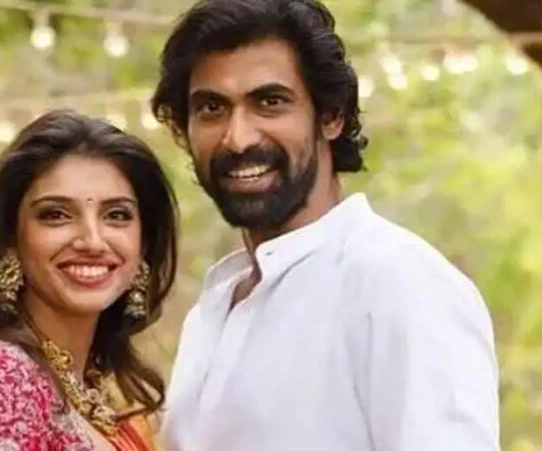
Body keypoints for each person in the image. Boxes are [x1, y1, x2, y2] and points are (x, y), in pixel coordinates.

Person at [150, 1, 500, 450]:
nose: (237, 138)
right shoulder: (212, 311)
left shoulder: (399, 284)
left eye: (270, 103)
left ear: (331, 116)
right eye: (212, 108)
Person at [0, 110, 178, 451]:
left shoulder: (94, 391)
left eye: (116, 215)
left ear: (143, 244)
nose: (92, 241)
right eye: (56, 215)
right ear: (10, 239)